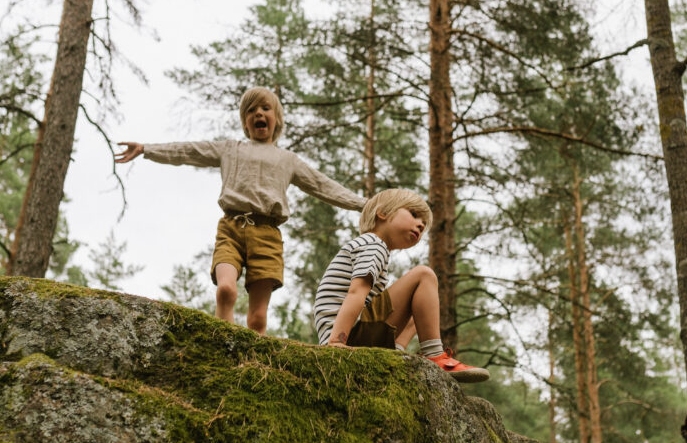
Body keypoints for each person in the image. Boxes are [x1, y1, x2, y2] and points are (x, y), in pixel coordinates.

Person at [115, 87, 366, 334]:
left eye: (265, 108)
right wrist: (146, 149)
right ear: (245, 122)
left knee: (257, 319)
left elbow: (323, 186)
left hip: (267, 235)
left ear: (276, 119)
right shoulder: (230, 149)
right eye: (251, 110)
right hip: (231, 229)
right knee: (226, 290)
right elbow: (189, 151)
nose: (258, 113)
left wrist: (364, 204)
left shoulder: (288, 160)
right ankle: (223, 345)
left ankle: (254, 364)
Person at [313, 188, 489, 383]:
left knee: (421, 306)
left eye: (423, 226)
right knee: (424, 275)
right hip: (347, 333)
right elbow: (356, 292)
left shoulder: (372, 246)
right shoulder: (374, 244)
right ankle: (435, 356)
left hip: (354, 332)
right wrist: (337, 342)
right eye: (414, 215)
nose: (420, 225)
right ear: (383, 213)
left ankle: (396, 354)